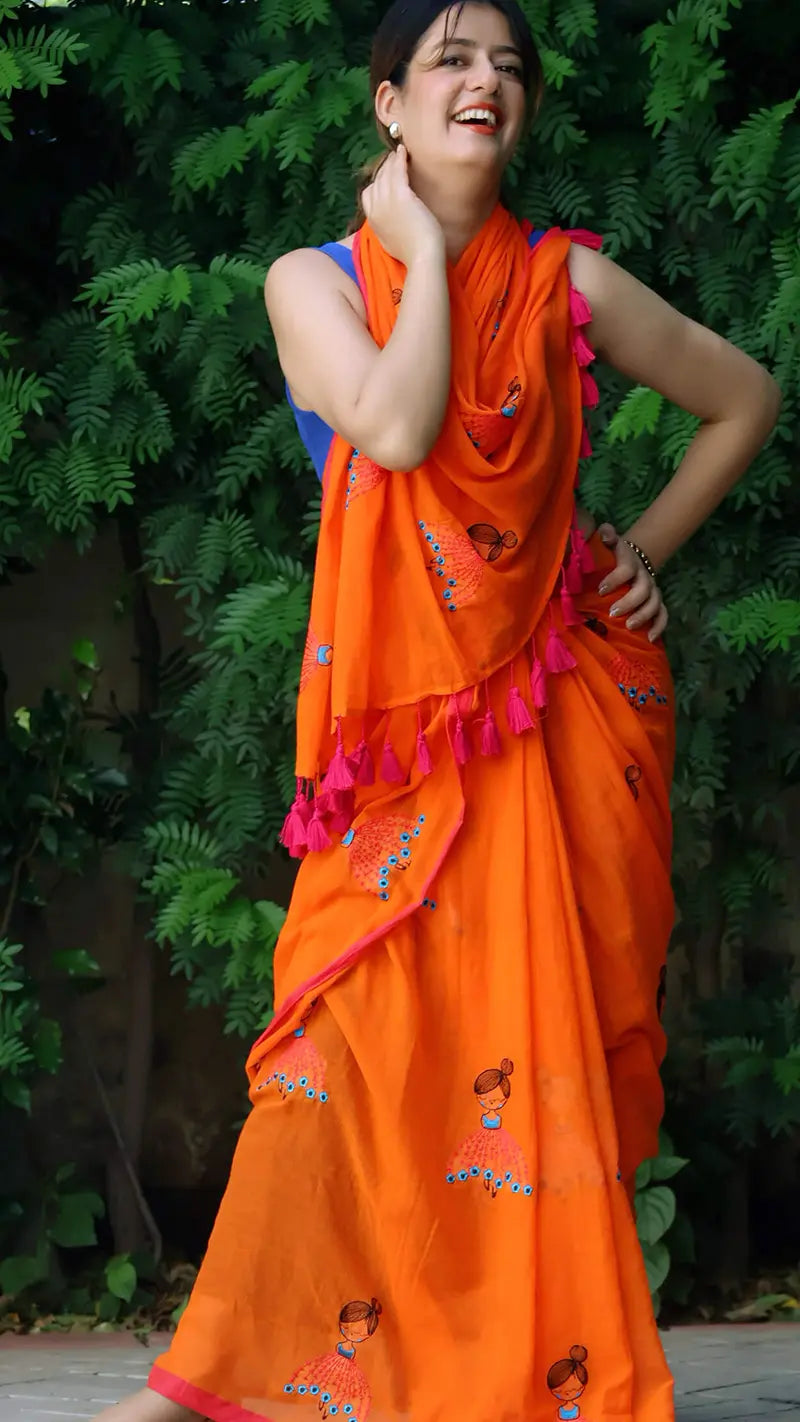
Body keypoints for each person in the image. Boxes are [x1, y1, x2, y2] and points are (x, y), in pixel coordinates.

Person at [93, 3, 781, 1420]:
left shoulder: (570, 283)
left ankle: (527, 1360)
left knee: (522, 1064)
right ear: (389, 106)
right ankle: (206, 1376)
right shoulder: (316, 281)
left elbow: (745, 395)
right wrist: (417, 258)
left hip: (550, 725)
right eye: (452, 60)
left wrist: (639, 551)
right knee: (335, 1045)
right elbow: (398, 429)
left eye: (509, 66)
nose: (486, 80)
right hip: (397, 746)